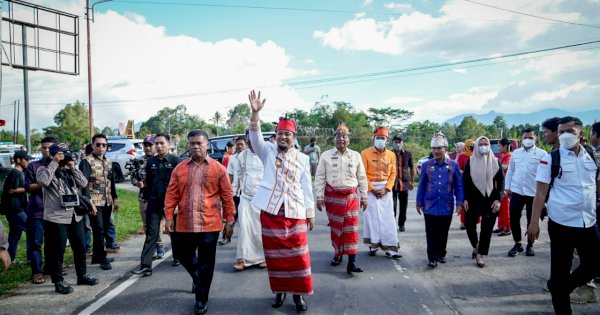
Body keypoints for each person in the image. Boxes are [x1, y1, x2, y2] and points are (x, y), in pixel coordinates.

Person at [248, 90, 314, 312]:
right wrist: (255, 114)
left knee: (298, 258)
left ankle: (298, 296)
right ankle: (279, 292)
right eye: (280, 134)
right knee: (275, 258)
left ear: (294, 138)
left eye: (288, 134)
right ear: (275, 136)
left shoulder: (303, 159)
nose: (284, 137)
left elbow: (306, 187)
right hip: (271, 213)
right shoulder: (267, 151)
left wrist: (310, 211)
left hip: (295, 214)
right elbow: (255, 136)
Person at [527, 116, 600, 314]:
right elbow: (540, 192)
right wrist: (533, 223)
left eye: (570, 132)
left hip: (588, 222)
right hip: (562, 225)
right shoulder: (551, 158)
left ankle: (561, 288)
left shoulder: (592, 156)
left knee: (594, 265)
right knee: (559, 272)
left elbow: (596, 186)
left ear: (581, 134)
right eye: (561, 132)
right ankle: (561, 300)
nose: (565, 135)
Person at [164, 129, 235, 315]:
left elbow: (228, 196)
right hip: (184, 223)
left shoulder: (218, 168)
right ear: (188, 145)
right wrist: (169, 217)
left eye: (199, 143)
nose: (195, 146)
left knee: (206, 263)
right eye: (192, 143)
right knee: (181, 254)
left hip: (210, 224)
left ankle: (201, 299)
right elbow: (171, 195)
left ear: (207, 145)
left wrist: (230, 220)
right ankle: (198, 277)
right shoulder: (179, 169)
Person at [37, 143, 98, 294]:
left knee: (80, 247)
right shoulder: (43, 169)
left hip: (74, 215)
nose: (63, 157)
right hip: (56, 217)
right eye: (60, 154)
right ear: (52, 155)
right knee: (57, 251)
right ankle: (58, 281)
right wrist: (54, 162)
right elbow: (43, 182)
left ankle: (82, 275)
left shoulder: (68, 170)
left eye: (64, 154)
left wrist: (72, 167)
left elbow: (83, 183)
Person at [315, 123, 368, 274]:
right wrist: (319, 196)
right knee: (336, 229)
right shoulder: (325, 155)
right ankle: (337, 254)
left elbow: (362, 178)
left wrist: (364, 196)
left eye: (344, 136)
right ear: (334, 139)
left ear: (349, 139)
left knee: (351, 229)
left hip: (351, 196)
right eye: (338, 136)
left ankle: (352, 261)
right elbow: (319, 177)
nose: (341, 139)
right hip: (332, 198)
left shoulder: (356, 155)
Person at [133, 133, 181, 277]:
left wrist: (179, 204)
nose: (159, 146)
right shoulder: (151, 162)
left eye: (162, 143)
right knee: (151, 234)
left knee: (174, 232)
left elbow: (181, 185)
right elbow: (147, 184)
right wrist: (147, 201)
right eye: (157, 143)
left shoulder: (176, 161)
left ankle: (178, 256)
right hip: (154, 203)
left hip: (172, 204)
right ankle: (146, 266)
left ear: (169, 144)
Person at [416, 132, 464, 268]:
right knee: (431, 232)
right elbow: (421, 186)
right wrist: (419, 202)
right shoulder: (426, 165)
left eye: (439, 148)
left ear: (445, 149)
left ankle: (441, 253)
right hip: (430, 205)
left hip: (446, 205)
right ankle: (432, 257)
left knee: (443, 232)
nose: (436, 151)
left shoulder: (453, 165)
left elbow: (459, 186)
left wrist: (460, 203)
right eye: (434, 149)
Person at [79, 134, 120, 270]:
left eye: (104, 145)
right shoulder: (86, 161)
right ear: (92, 145)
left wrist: (115, 198)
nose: (101, 147)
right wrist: (88, 202)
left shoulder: (108, 162)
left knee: (105, 228)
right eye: (98, 144)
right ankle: (102, 258)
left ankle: (97, 256)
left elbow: (111, 181)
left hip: (107, 201)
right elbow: (83, 184)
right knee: (99, 230)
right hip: (94, 201)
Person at [462, 136, 504, 268]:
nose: (484, 146)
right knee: (469, 225)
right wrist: (465, 198)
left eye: (486, 144)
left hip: (490, 199)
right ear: (476, 146)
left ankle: (480, 254)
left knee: (487, 228)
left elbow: (501, 182)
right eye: (481, 144)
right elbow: (465, 182)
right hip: (473, 199)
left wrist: (498, 199)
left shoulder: (495, 161)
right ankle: (476, 246)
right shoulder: (471, 162)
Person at [505, 128, 546, 257]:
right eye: (525, 138)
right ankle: (518, 243)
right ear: (522, 139)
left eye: (531, 138)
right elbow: (511, 171)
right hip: (517, 191)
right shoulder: (516, 153)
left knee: (531, 219)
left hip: (533, 193)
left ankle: (530, 244)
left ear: (536, 138)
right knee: (514, 219)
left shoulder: (542, 154)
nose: (528, 140)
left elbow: (544, 176)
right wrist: (508, 187)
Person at [361, 126, 401, 259]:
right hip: (370, 189)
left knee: (388, 218)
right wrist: (371, 188)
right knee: (372, 218)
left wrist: (387, 188)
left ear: (386, 140)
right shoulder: (365, 153)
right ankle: (373, 245)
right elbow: (362, 174)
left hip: (385, 189)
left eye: (382, 138)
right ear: (373, 138)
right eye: (378, 138)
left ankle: (390, 247)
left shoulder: (391, 155)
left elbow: (393, 173)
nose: (380, 140)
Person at [231, 131, 266, 271]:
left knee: (260, 229)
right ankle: (242, 259)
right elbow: (239, 177)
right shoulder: (242, 156)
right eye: (249, 141)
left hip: (263, 199)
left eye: (254, 140)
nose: (251, 144)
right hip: (245, 198)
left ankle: (263, 258)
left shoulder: (267, 154)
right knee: (244, 228)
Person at [24, 137, 55, 284]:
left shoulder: (60, 166)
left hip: (55, 212)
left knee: (53, 242)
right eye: (44, 147)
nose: (46, 150)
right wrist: (45, 181)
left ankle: (52, 268)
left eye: (49, 147)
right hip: (37, 210)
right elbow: (28, 187)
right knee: (36, 243)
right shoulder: (33, 166)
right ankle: (37, 271)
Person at [2, 150, 32, 262]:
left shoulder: (20, 173)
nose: (28, 162)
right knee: (31, 230)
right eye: (26, 160)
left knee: (14, 235)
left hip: (16, 209)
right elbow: (11, 190)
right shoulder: (15, 173)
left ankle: (10, 259)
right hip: (15, 209)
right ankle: (31, 258)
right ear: (19, 160)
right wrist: (29, 188)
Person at [220, 136, 247, 246]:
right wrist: (227, 191)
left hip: (248, 193)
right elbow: (229, 175)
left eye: (242, 144)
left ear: (246, 145)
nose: (240, 146)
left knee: (247, 220)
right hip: (235, 191)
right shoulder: (232, 158)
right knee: (231, 216)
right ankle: (226, 237)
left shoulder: (251, 157)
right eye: (238, 144)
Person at [391, 135, 414, 232]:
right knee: (392, 206)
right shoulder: (388, 154)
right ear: (392, 143)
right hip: (391, 184)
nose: (397, 144)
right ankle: (392, 224)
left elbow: (412, 168)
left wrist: (412, 182)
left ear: (402, 143)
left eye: (399, 142)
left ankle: (401, 224)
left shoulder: (408, 154)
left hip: (404, 184)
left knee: (403, 206)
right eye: (396, 142)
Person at [134, 135, 156, 235]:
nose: (147, 148)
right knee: (147, 225)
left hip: (160, 198)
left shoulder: (161, 160)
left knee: (160, 225)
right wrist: (137, 183)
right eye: (145, 145)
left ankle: (160, 247)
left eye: (150, 145)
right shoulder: (138, 161)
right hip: (144, 198)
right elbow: (133, 177)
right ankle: (151, 248)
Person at [494, 138, 512, 237]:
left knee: (505, 208)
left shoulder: (509, 156)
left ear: (505, 146)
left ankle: (507, 228)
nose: (498, 148)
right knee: (501, 207)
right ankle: (501, 226)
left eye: (500, 146)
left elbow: (504, 167)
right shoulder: (504, 155)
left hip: (505, 186)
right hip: (501, 185)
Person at [457, 139, 474, 230]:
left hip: (475, 182)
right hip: (464, 181)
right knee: (464, 201)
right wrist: (465, 172)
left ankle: (473, 221)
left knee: (474, 202)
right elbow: (458, 169)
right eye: (470, 146)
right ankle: (463, 222)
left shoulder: (476, 155)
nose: (472, 148)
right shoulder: (462, 156)